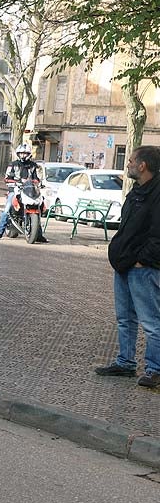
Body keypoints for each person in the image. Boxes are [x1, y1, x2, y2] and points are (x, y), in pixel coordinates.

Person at [94, 146, 160, 389]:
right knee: (125, 318)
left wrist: (142, 259)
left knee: (151, 322)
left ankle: (155, 369)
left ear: (143, 166)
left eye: (131, 160)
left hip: (143, 268)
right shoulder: (136, 190)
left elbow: (157, 235)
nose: (128, 164)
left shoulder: (156, 194)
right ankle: (126, 362)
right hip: (124, 264)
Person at [0, 144, 45, 240]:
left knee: (40, 203)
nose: (23, 155)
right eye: (21, 153)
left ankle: (39, 234)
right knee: (7, 209)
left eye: (25, 153)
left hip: (29, 189)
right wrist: (14, 181)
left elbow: (37, 178)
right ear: (18, 154)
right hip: (15, 189)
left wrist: (38, 182)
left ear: (29, 154)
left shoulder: (33, 166)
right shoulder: (13, 165)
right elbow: (7, 178)